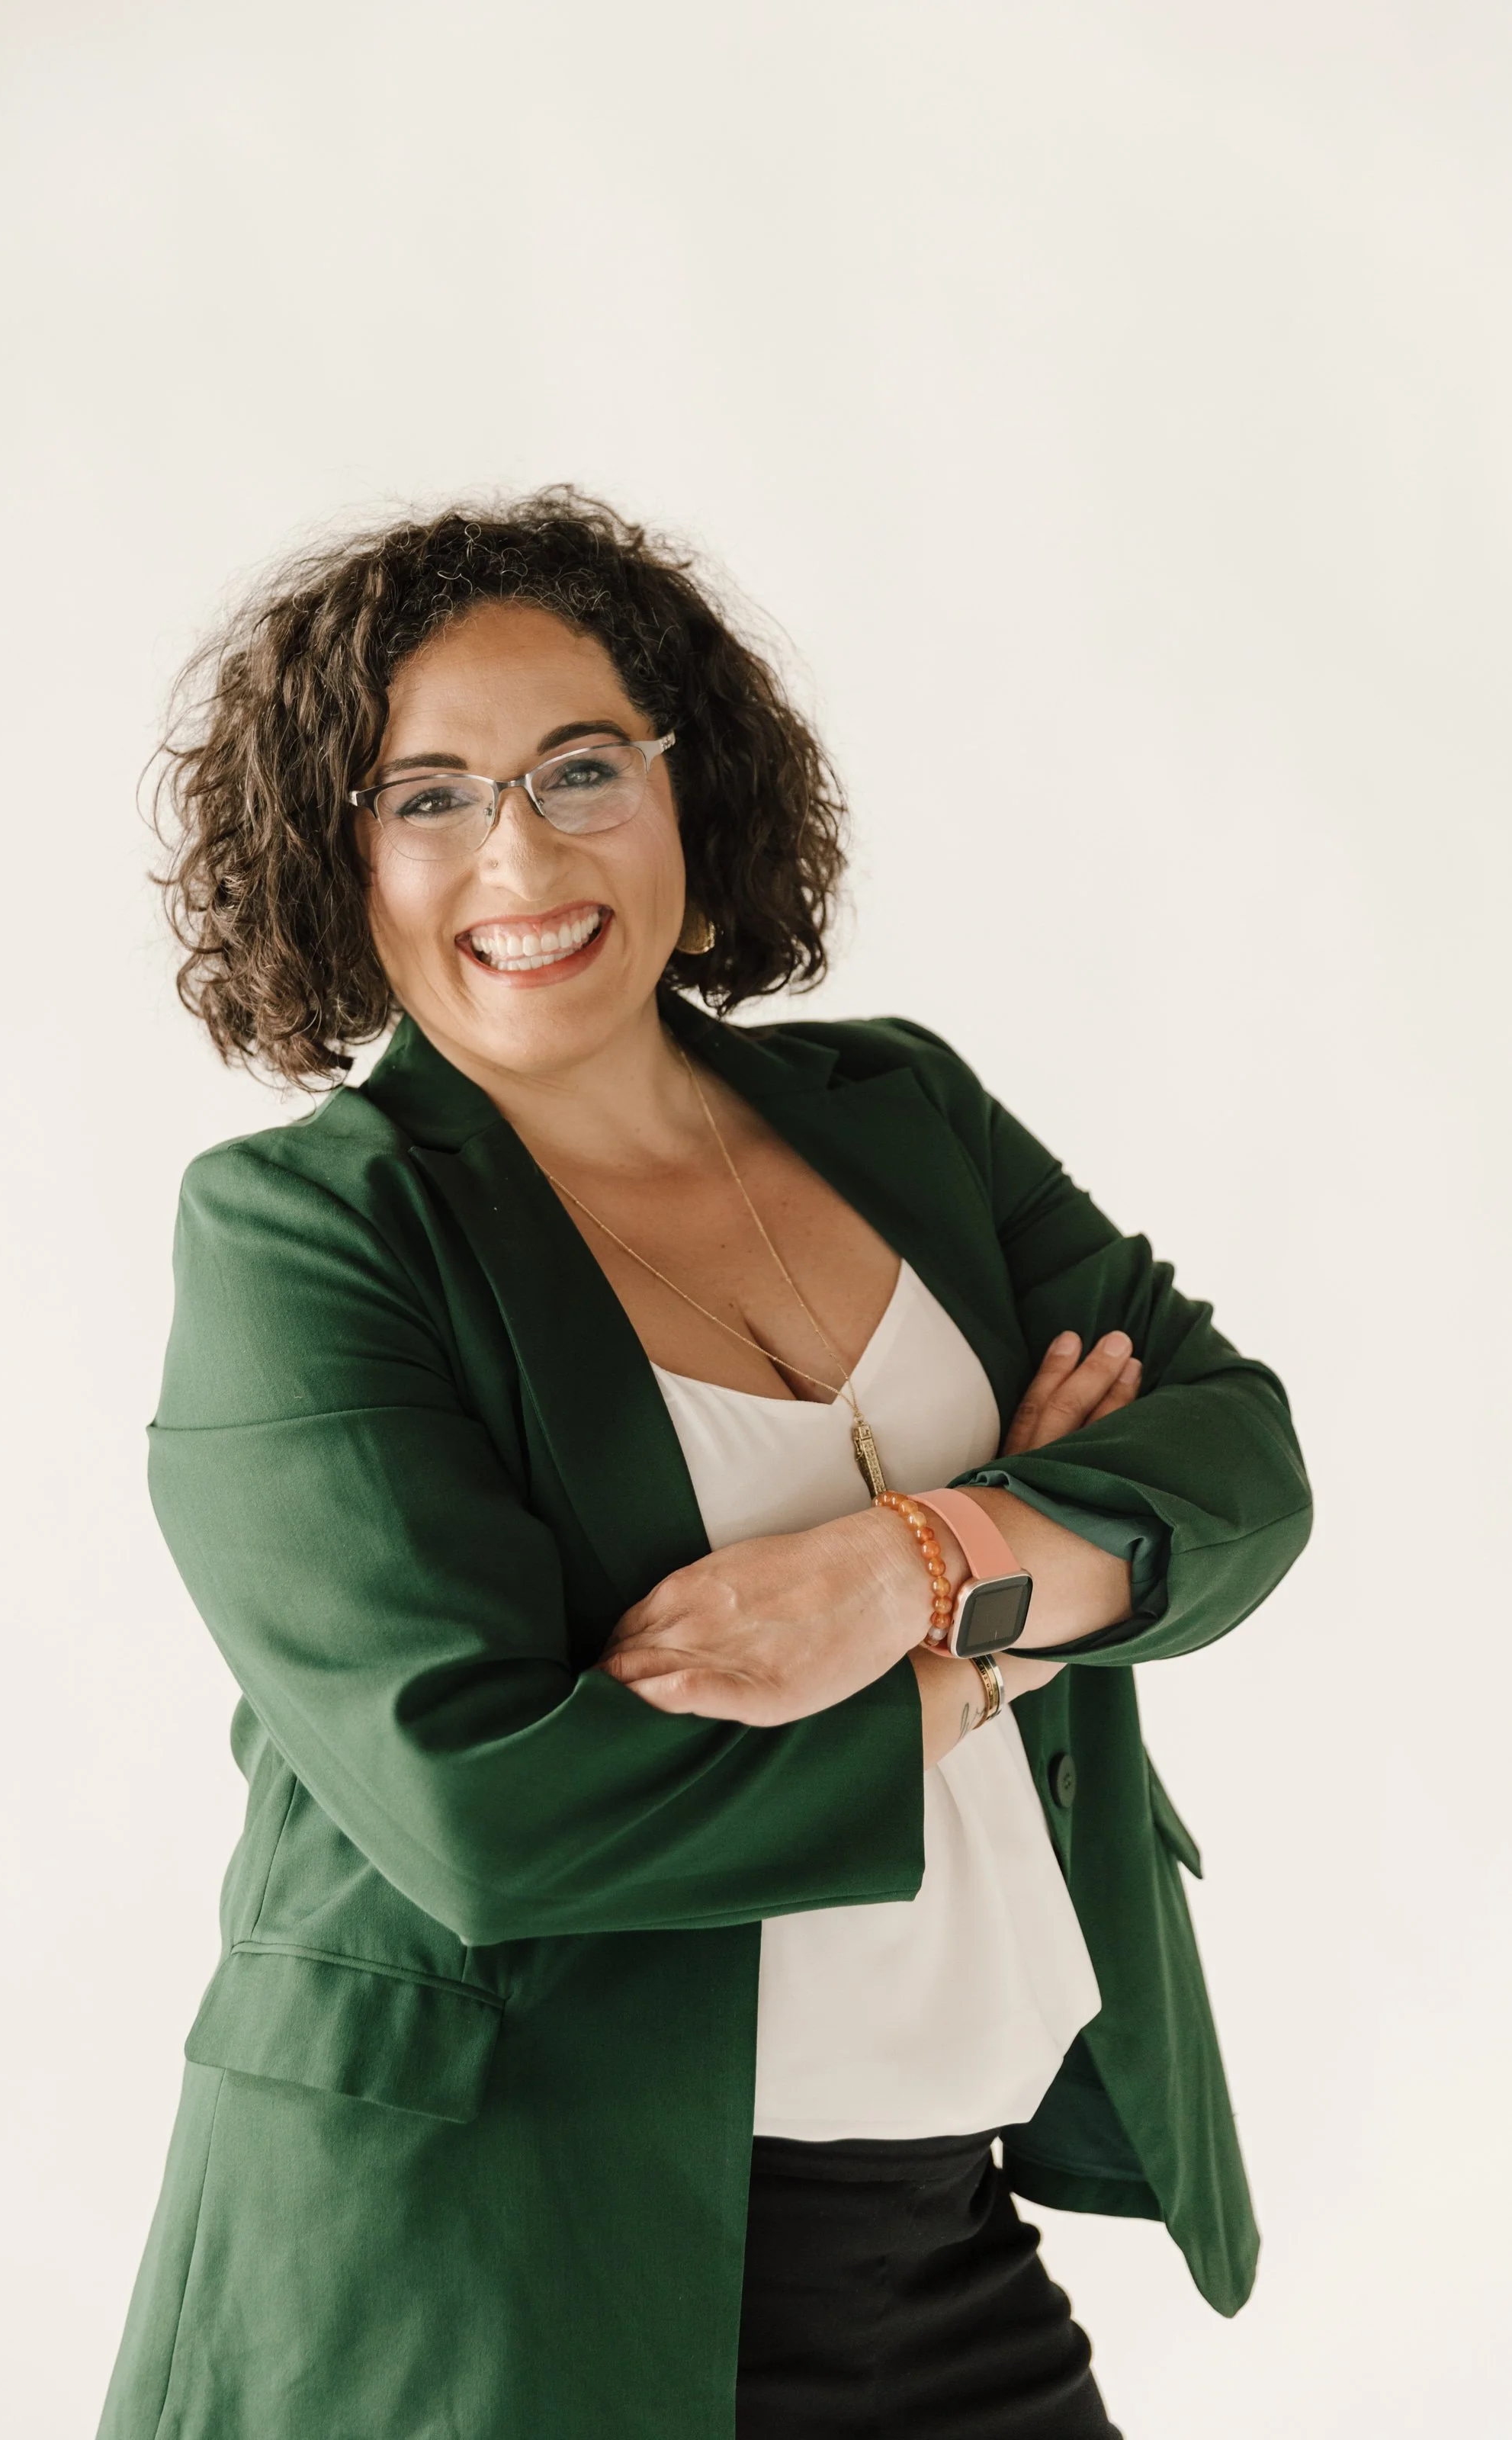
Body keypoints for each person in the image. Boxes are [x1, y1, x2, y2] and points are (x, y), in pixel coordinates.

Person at [98, 492, 1311, 2440]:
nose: (520, 853)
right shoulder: (308, 1238)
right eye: (428, 796)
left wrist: (911, 1560)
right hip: (492, 2268)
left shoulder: (896, 1112)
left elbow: (1234, 1465)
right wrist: (1005, 1629)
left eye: (582, 769)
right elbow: (494, 1809)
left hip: (940, 2245)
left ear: (688, 785)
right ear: (335, 856)